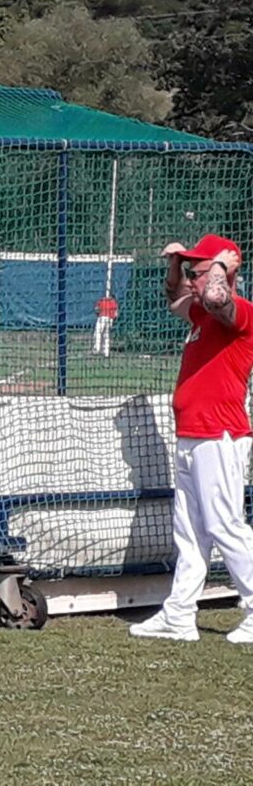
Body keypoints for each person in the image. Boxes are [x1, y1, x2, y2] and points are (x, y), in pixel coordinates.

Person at [130, 235, 253, 645]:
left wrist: (221, 268)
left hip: (219, 434)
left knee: (225, 527)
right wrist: (177, 264)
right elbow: (175, 297)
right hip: (192, 434)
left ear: (221, 272)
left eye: (198, 272)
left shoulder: (238, 313)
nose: (193, 280)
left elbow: (222, 301)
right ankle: (179, 614)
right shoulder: (199, 314)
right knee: (190, 532)